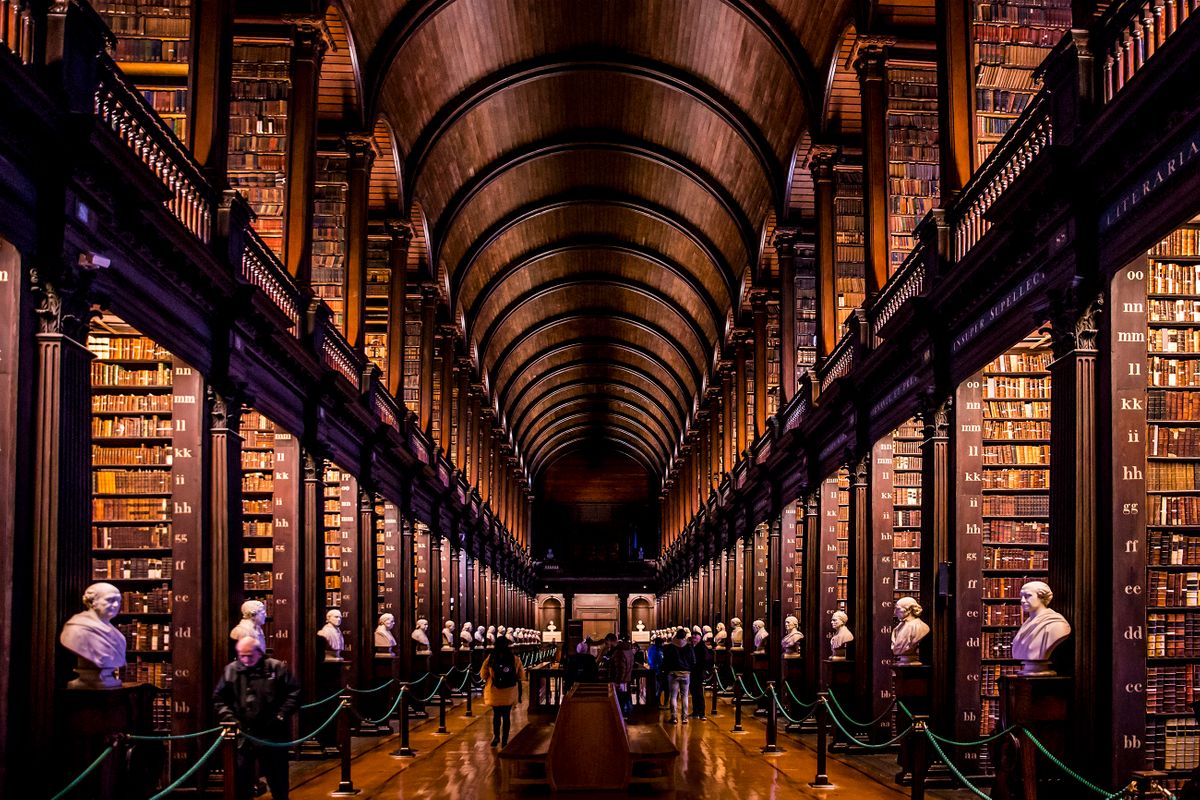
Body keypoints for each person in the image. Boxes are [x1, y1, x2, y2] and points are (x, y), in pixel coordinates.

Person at [213, 636, 301, 800]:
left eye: (249, 655)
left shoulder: (276, 668)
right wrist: (231, 719)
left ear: (259, 653)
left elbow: (294, 694)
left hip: (273, 734)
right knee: (241, 781)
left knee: (278, 780)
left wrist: (281, 716)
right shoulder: (231, 670)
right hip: (243, 735)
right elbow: (219, 698)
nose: (246, 660)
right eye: (242, 655)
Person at [480, 635, 525, 747]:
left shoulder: (491, 658)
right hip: (509, 692)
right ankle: (505, 740)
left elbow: (483, 674)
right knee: (506, 716)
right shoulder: (514, 658)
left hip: (495, 691)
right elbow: (521, 676)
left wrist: (491, 679)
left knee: (496, 715)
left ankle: (496, 737)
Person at [660, 629, 695, 724]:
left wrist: (665, 670)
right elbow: (693, 661)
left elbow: (665, 661)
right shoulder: (689, 647)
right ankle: (684, 718)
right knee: (685, 696)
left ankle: (674, 717)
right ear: (685, 636)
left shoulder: (669, 647)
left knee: (674, 696)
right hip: (686, 673)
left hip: (673, 673)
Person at [608, 633, 636, 719]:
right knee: (626, 698)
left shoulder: (619, 652)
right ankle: (629, 716)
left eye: (607, 643)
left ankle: (621, 720)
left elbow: (620, 668)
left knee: (620, 701)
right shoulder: (628, 649)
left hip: (620, 681)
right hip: (627, 679)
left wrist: (617, 682)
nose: (607, 646)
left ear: (610, 641)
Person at [689, 631, 709, 720]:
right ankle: (695, 711)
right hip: (692, 673)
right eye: (692, 638)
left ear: (699, 638)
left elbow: (705, 660)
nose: (693, 639)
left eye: (695, 637)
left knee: (699, 693)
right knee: (693, 692)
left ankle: (702, 713)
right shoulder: (692, 646)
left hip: (699, 673)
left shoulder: (702, 647)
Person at [647, 636, 665, 705]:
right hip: (658, 670)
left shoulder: (651, 648)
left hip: (652, 669)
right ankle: (656, 701)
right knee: (658, 687)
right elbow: (660, 660)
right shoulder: (658, 650)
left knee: (655, 686)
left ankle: (655, 701)